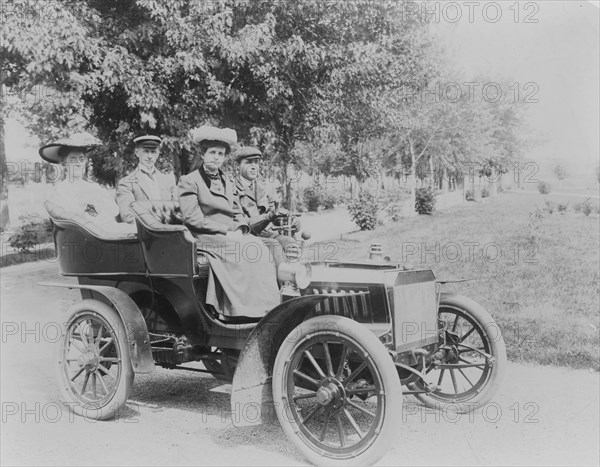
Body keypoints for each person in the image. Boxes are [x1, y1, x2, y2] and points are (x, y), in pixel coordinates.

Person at [178, 126, 280, 318]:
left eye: (221, 154)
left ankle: (267, 309)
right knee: (243, 250)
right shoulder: (189, 181)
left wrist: (241, 229)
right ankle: (237, 311)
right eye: (213, 153)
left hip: (229, 235)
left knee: (258, 246)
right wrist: (226, 232)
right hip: (204, 237)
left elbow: (236, 211)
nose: (217, 158)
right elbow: (192, 218)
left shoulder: (228, 182)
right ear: (203, 154)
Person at [39, 132, 136, 234]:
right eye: (73, 159)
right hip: (87, 236)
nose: (78, 163)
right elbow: (67, 218)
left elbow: (113, 213)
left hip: (108, 231)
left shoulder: (94, 187)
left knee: (139, 231)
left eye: (81, 159)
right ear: (64, 163)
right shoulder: (60, 191)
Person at [234, 146, 299, 257]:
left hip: (263, 234)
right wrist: (269, 216)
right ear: (237, 167)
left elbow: (275, 213)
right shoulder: (231, 189)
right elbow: (240, 223)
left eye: (256, 163)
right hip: (244, 235)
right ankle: (280, 274)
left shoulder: (261, 190)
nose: (254, 166)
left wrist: (291, 220)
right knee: (274, 246)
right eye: (248, 163)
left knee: (290, 243)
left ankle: (293, 273)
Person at [116, 135, 177, 223]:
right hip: (144, 233)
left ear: (158, 154)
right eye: (145, 151)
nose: (149, 156)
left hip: (170, 231)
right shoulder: (126, 183)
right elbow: (128, 217)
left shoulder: (168, 180)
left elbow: (177, 210)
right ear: (137, 152)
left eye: (153, 152)